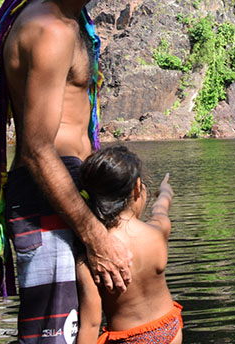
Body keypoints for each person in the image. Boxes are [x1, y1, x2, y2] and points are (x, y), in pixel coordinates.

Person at [0, 0, 140, 344]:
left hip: (66, 191)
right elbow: (36, 147)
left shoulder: (56, 13)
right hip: (49, 196)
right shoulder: (52, 31)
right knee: (56, 336)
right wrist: (94, 235)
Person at [74, 145, 181, 344]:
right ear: (136, 188)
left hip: (128, 338)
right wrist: (165, 192)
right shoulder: (157, 232)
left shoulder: (92, 258)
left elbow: (91, 324)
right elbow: (161, 209)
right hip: (169, 329)